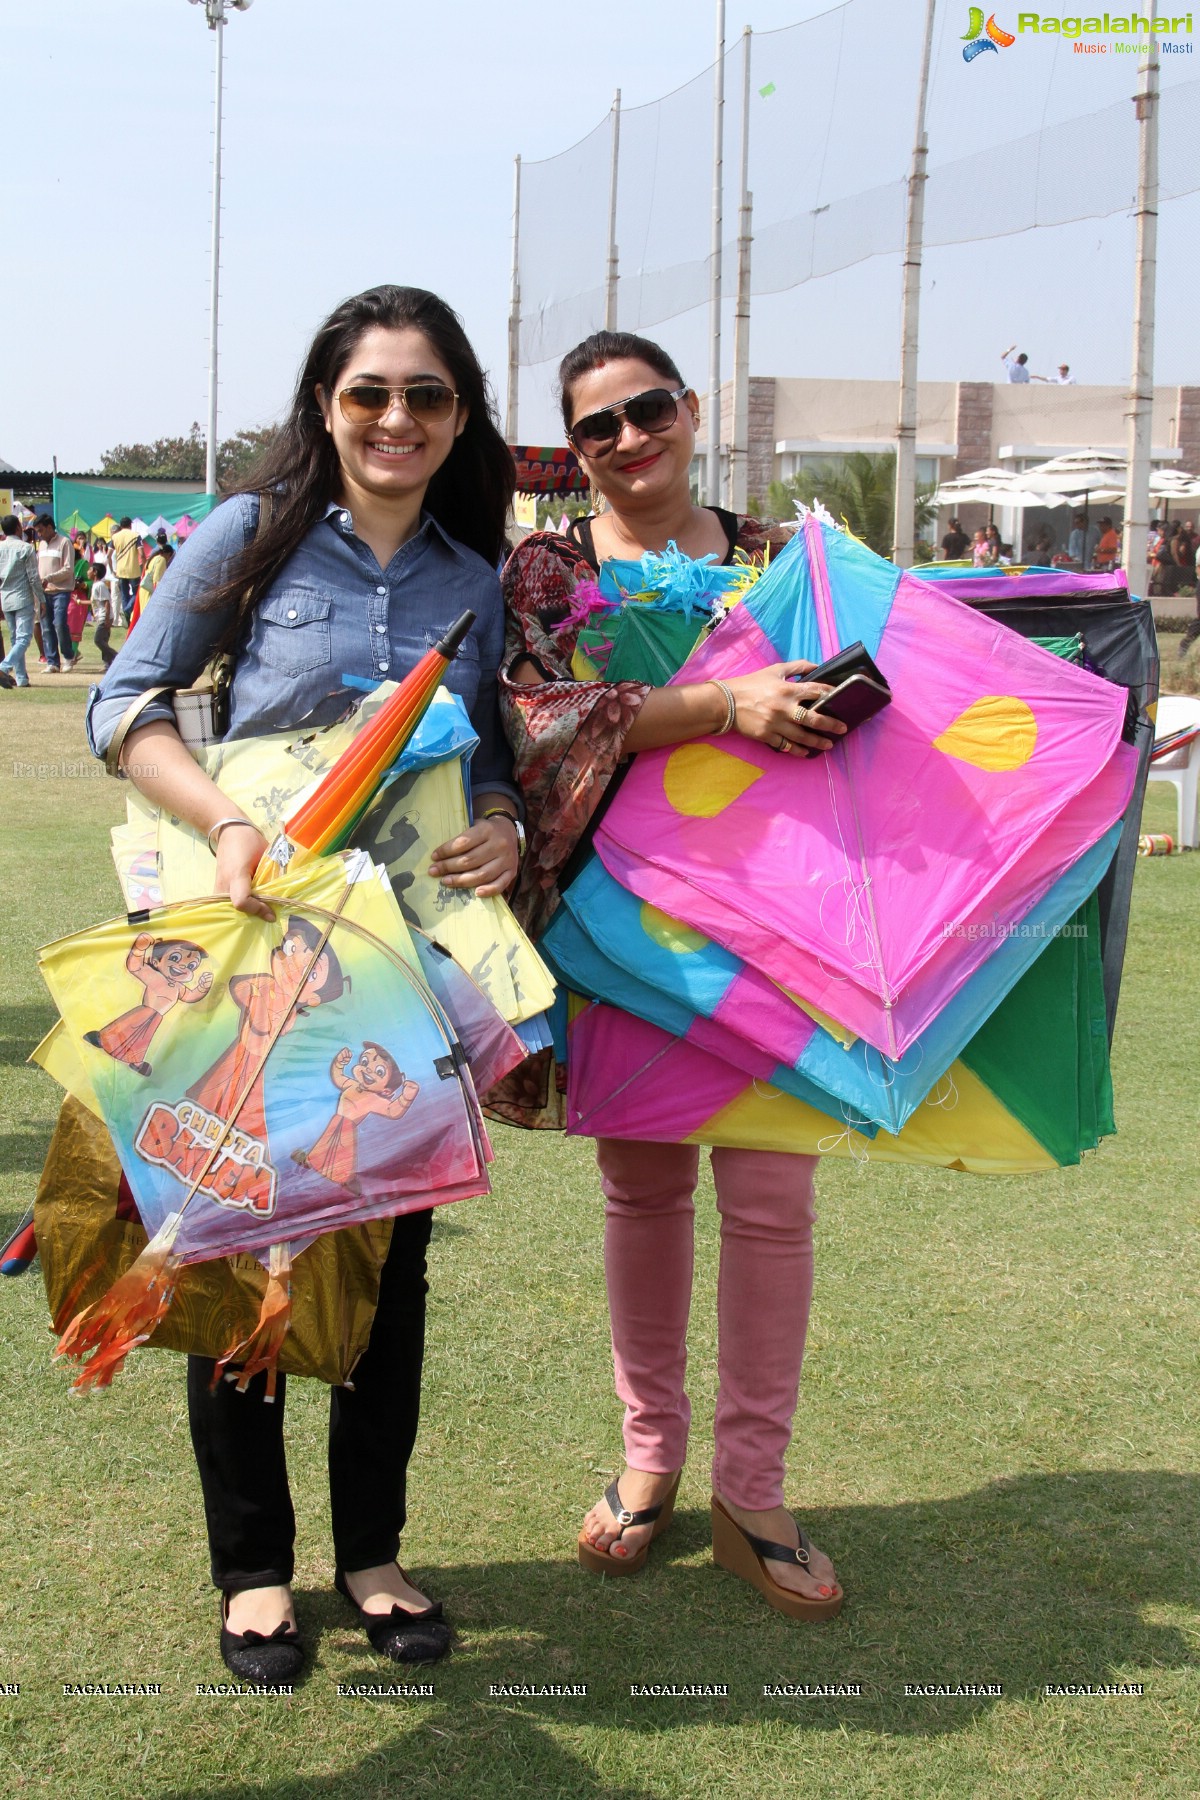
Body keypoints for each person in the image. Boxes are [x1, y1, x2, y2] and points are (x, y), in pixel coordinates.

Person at [86, 283, 520, 1683]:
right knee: (235, 1234)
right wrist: (221, 820)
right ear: (326, 406)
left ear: (461, 417)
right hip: (256, 948)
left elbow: (496, 746)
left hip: (410, 961)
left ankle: (374, 1554)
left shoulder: (476, 572)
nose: (398, 420)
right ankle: (255, 1569)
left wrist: (503, 818)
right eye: (369, 394)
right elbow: (123, 705)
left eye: (428, 397)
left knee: (387, 1250)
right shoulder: (251, 537)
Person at [500, 329, 846, 1622]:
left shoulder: (786, 561)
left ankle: (752, 1493)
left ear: (692, 411)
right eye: (601, 427)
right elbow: (531, 717)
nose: (631, 439)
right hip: (618, 927)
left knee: (772, 1194)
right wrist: (729, 705)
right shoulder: (548, 569)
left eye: (650, 410)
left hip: (775, 925)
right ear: (576, 449)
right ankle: (650, 1459)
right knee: (641, 1188)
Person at [0, 513, 47, 689]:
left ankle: (21, 678)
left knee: (15, 639)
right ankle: (4, 667)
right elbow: (34, 577)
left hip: (5, 598)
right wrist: (41, 599)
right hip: (22, 597)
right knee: (24, 638)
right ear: (19, 528)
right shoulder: (25, 548)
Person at [35, 516, 77, 670]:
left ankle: (68, 656)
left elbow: (68, 569)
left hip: (61, 590)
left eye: (40, 530)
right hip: (44, 591)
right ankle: (52, 661)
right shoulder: (41, 545)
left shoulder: (65, 542)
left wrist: (49, 578)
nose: (39, 534)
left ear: (49, 527)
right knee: (46, 627)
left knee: (59, 624)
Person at [109, 515, 144, 622]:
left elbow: (108, 555)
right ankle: (128, 611)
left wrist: (112, 570)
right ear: (130, 525)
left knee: (124, 595)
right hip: (133, 570)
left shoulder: (115, 537)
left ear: (120, 525)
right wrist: (143, 567)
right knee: (136, 593)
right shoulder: (135, 535)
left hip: (120, 571)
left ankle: (127, 619)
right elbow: (142, 554)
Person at [89, 560, 118, 668]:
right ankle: (108, 664)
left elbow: (106, 602)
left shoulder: (100, 585)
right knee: (103, 640)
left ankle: (116, 656)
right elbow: (96, 601)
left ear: (95, 572)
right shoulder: (96, 585)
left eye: (90, 569)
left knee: (98, 640)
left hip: (104, 617)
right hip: (101, 616)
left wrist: (106, 619)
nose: (88, 572)